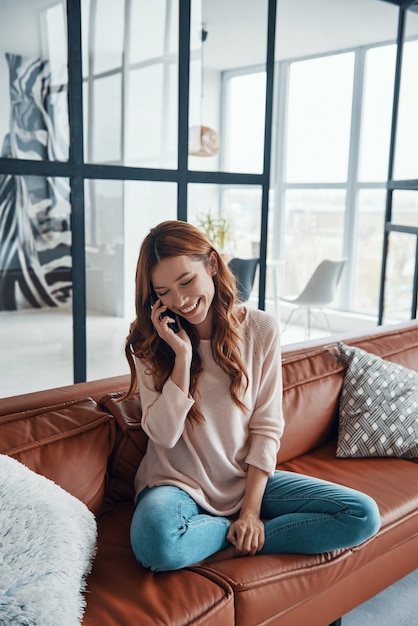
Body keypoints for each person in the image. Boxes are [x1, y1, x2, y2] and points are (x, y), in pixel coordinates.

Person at [125, 220, 380, 572]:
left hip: (242, 481)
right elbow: (165, 435)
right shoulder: (150, 343)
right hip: (175, 485)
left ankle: (231, 541)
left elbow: (266, 427)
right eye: (164, 292)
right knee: (156, 544)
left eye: (186, 281)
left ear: (212, 265)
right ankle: (230, 535)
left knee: (362, 514)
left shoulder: (260, 329)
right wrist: (182, 357)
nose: (180, 300)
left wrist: (251, 513)